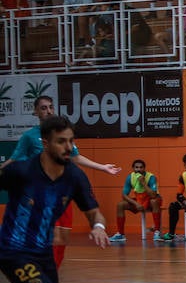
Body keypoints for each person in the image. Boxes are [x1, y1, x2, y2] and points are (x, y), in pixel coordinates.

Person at [1, 115, 108, 283]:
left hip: (43, 251)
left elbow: (94, 211)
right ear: (45, 143)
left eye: (71, 141)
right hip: (13, 250)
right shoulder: (21, 172)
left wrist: (97, 226)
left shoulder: (74, 177)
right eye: (61, 142)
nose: (68, 147)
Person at [2, 95, 118, 269]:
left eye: (51, 107)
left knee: (61, 239)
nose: (48, 111)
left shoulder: (72, 169)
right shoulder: (29, 138)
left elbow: (76, 157)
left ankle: (48, 271)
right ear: (35, 111)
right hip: (38, 195)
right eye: (43, 108)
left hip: (60, 192)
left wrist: (102, 167)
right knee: (46, 237)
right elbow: (14, 159)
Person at [110, 159, 162, 242]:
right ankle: (120, 234)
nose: (139, 169)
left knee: (154, 201)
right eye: (136, 167)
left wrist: (143, 183)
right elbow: (124, 195)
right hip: (139, 200)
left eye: (141, 167)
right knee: (120, 205)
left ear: (144, 168)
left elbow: (153, 195)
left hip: (152, 200)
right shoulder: (130, 177)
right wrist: (136, 204)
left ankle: (157, 232)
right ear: (133, 168)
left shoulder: (151, 177)